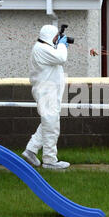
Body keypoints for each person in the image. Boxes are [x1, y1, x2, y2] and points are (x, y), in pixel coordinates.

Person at [22, 25, 70, 170]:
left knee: (48, 123)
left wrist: (59, 44)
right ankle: (50, 160)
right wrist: (62, 44)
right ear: (50, 36)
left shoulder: (44, 48)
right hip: (46, 92)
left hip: (49, 92)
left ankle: (30, 150)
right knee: (52, 127)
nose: (57, 39)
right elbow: (62, 58)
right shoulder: (41, 49)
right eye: (56, 37)